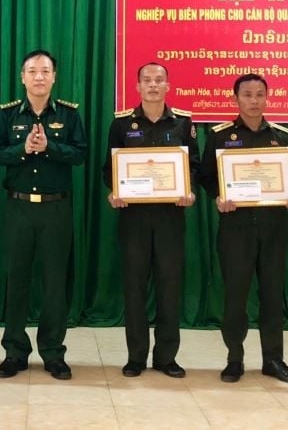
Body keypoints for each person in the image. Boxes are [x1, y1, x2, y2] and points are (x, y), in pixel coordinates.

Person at [200, 73, 288, 384]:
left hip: (274, 228)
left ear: (267, 97)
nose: (254, 100)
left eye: (260, 94)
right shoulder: (221, 136)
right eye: (247, 94)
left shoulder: (281, 136)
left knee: (273, 296)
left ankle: (274, 359)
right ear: (236, 99)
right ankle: (235, 358)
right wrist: (219, 197)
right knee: (235, 296)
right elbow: (206, 177)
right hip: (236, 228)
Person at [0, 49, 87, 381]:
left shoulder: (70, 115)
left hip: (56, 208)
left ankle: (53, 352)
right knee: (15, 280)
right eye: (32, 70)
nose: (39, 77)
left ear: (54, 77)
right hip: (18, 207)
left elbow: (80, 155)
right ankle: (14, 352)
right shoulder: (7, 115)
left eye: (45, 71)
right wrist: (23, 150)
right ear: (22, 77)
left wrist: (50, 147)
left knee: (55, 284)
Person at [102, 63, 199, 378]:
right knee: (134, 287)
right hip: (134, 217)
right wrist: (115, 190)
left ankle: (166, 357)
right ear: (137, 86)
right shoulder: (121, 125)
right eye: (147, 80)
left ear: (168, 85)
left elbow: (194, 166)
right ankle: (136, 356)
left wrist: (189, 190)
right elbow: (109, 168)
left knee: (170, 286)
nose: (153, 85)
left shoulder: (183, 123)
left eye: (159, 80)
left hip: (171, 215)